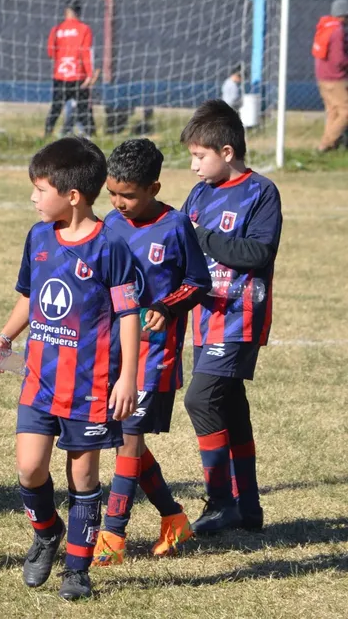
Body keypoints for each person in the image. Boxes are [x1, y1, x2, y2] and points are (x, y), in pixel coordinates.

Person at [0, 136, 140, 601]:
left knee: (84, 479)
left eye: (40, 189)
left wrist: (128, 377)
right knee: (30, 469)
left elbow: (129, 315)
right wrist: (4, 338)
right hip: (39, 379)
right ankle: (46, 532)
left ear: (71, 195)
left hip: (89, 388)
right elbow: (30, 298)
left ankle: (77, 569)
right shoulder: (38, 237)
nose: (33, 198)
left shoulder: (110, 247)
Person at [91, 139, 212, 566]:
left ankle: (112, 536)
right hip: (113, 353)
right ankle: (174, 517)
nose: (119, 203)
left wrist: (166, 306)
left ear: (154, 187)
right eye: (112, 194)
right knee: (128, 442)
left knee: (127, 439)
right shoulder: (109, 224)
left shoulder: (176, 225)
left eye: (129, 195)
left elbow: (199, 281)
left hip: (155, 355)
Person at [179, 100, 282, 535]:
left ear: (226, 152)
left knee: (201, 400)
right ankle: (249, 507)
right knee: (231, 407)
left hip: (239, 316)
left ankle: (221, 500)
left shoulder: (261, 192)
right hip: (206, 318)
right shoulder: (200, 193)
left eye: (199, 156)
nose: (193, 166)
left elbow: (258, 252)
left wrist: (201, 237)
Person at [44, 1, 96, 137]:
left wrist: (62, 59)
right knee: (84, 107)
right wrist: (89, 74)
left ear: (67, 12)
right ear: (79, 13)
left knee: (56, 107)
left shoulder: (56, 29)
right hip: (78, 76)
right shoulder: (84, 29)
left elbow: (50, 52)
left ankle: (47, 133)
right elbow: (85, 52)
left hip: (61, 76)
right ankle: (92, 134)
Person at [313, 0, 348, 152]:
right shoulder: (338, 31)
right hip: (336, 78)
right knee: (346, 112)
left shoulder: (325, 27)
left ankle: (329, 146)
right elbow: (339, 59)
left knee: (333, 112)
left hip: (323, 77)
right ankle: (325, 144)